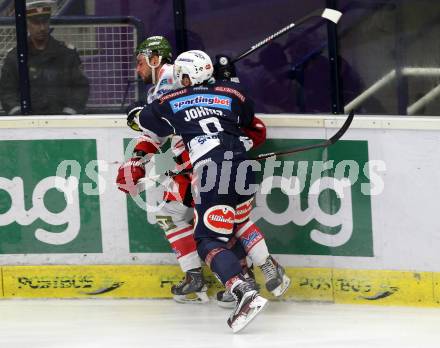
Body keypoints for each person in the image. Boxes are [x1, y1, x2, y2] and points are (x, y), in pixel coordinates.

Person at [116, 37, 290, 306]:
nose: (136, 70)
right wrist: (136, 161)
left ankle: (241, 280)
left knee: (210, 226)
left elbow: (148, 127)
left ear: (154, 59)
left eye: (140, 62)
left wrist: (137, 150)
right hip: (217, 164)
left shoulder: (173, 86)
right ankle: (219, 274)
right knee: (205, 217)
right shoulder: (171, 88)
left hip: (201, 167)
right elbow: (156, 133)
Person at [0, 0, 89, 115]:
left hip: (62, 121)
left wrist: (69, 113)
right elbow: (7, 91)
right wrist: (19, 114)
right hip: (27, 124)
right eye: (36, 23)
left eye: (45, 22)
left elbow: (80, 87)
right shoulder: (15, 57)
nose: (42, 28)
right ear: (27, 24)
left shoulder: (67, 54)